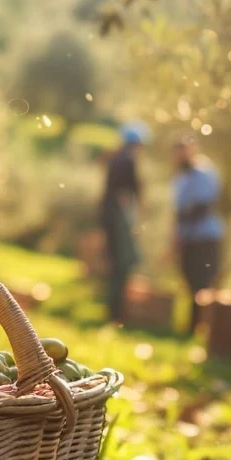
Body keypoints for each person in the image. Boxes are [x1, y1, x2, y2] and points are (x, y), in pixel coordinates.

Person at [171, 135, 224, 335]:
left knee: (202, 282)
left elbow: (201, 207)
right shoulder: (181, 176)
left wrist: (182, 227)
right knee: (190, 281)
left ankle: (202, 327)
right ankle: (193, 326)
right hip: (190, 238)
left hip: (205, 238)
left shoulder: (203, 173)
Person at [100, 123, 148, 322]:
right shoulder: (127, 161)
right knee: (123, 263)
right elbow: (126, 194)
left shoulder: (115, 159)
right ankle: (117, 312)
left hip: (110, 217)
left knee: (115, 264)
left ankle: (113, 310)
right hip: (120, 219)